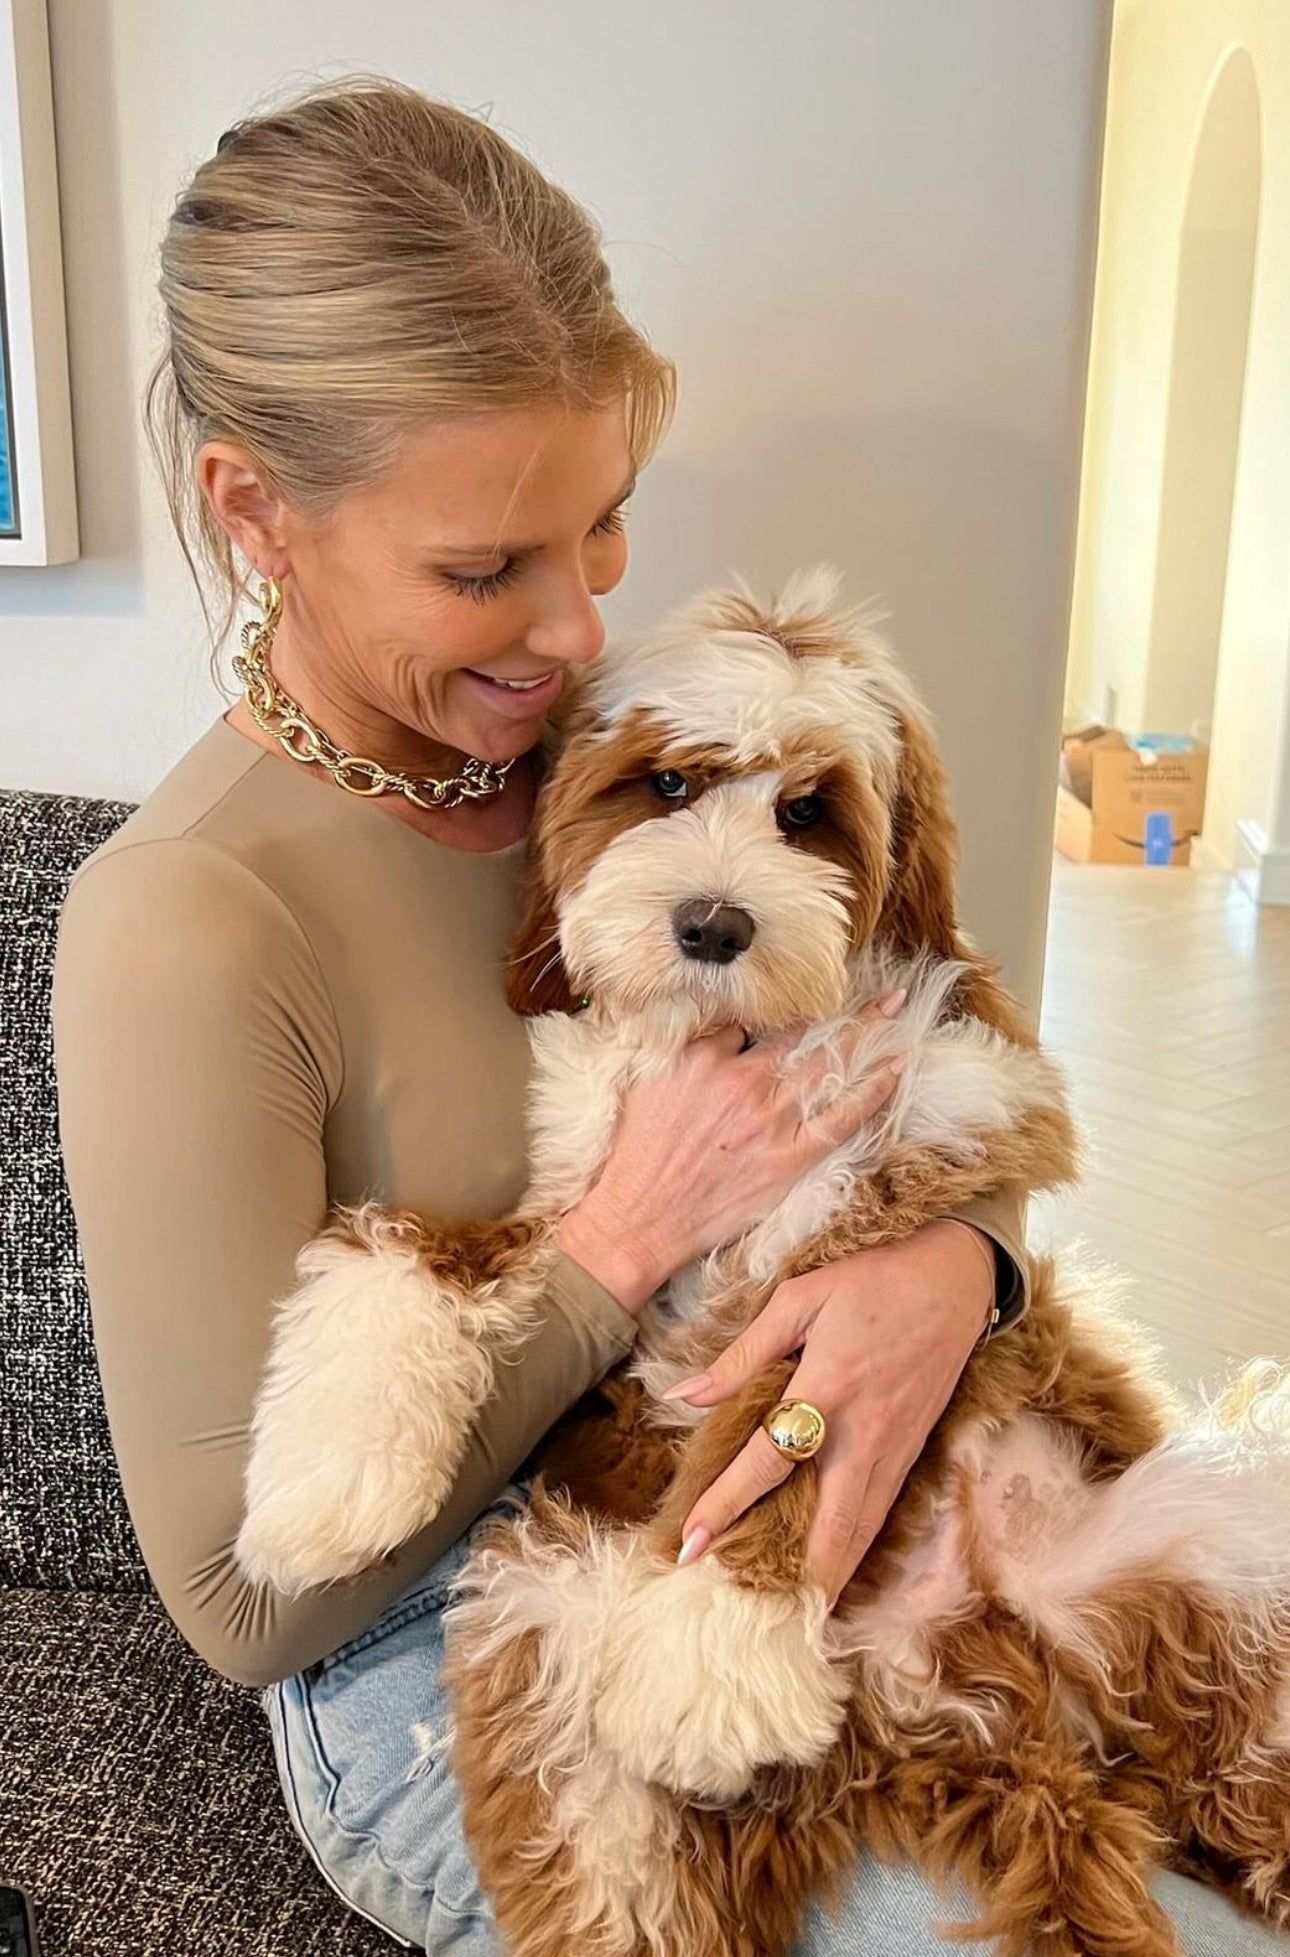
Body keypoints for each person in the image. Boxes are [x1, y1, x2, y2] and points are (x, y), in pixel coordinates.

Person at [50, 75, 1282, 1957]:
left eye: (599, 527)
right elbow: (245, 1603)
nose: (565, 634)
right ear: (257, 513)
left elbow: (918, 1062)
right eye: (483, 570)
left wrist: (967, 1267)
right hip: (472, 1652)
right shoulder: (185, 923)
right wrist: (625, 1232)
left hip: (856, 1512)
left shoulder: (635, 758)